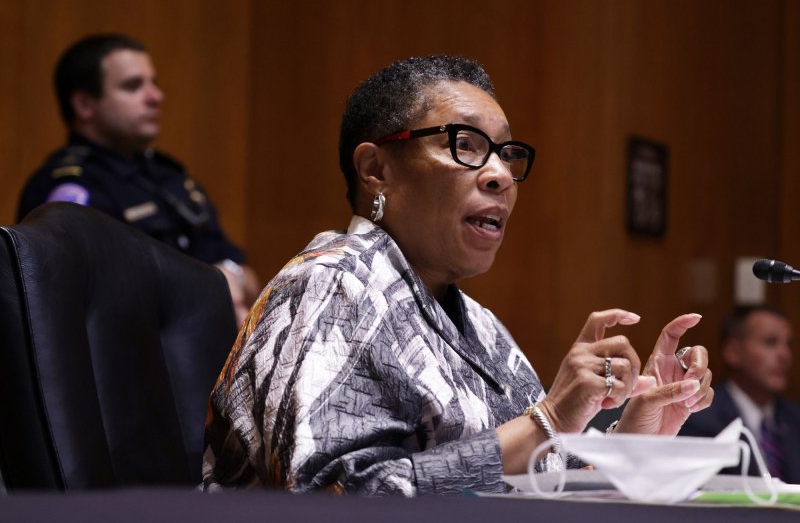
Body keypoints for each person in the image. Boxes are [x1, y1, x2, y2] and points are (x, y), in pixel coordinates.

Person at [202, 55, 713, 495]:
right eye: (465, 144)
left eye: (507, 154)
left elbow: (537, 479)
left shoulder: (481, 325)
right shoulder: (330, 283)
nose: (500, 175)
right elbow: (339, 496)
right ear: (376, 169)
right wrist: (549, 422)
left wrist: (634, 436)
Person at [16, 33, 258, 326]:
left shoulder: (169, 178)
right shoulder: (74, 192)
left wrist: (231, 275)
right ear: (84, 105)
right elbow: (100, 299)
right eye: (133, 86)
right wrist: (211, 288)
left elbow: (247, 275)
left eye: (153, 82)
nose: (156, 96)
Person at [680, 305, 800, 482]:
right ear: (733, 352)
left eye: (788, 344)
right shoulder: (698, 416)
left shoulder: (795, 418)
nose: (785, 354)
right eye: (770, 342)